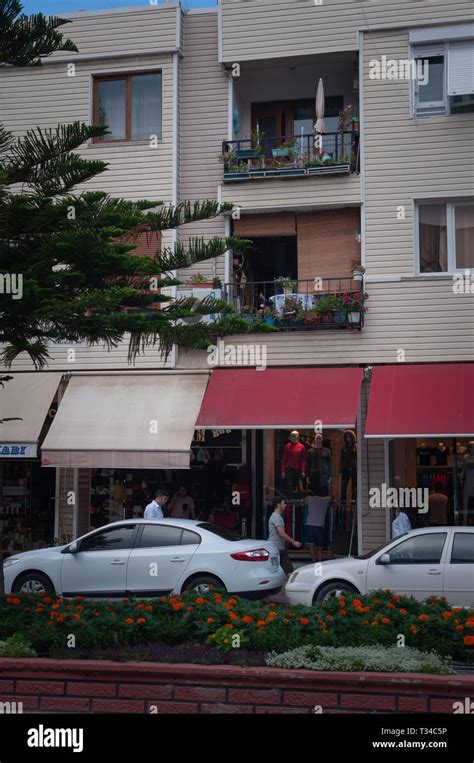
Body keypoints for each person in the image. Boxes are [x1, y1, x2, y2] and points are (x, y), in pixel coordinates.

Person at [268, 496, 301, 577]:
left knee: (288, 571)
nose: (285, 505)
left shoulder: (278, 517)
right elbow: (281, 533)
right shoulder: (275, 517)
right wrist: (293, 542)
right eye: (283, 503)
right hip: (275, 549)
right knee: (288, 572)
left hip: (279, 548)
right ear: (278, 505)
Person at [304, 487, 332, 563]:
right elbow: (331, 498)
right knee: (320, 546)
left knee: (310, 545)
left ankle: (313, 561)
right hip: (319, 525)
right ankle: (319, 562)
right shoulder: (326, 500)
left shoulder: (308, 498)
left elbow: (305, 504)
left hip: (309, 524)